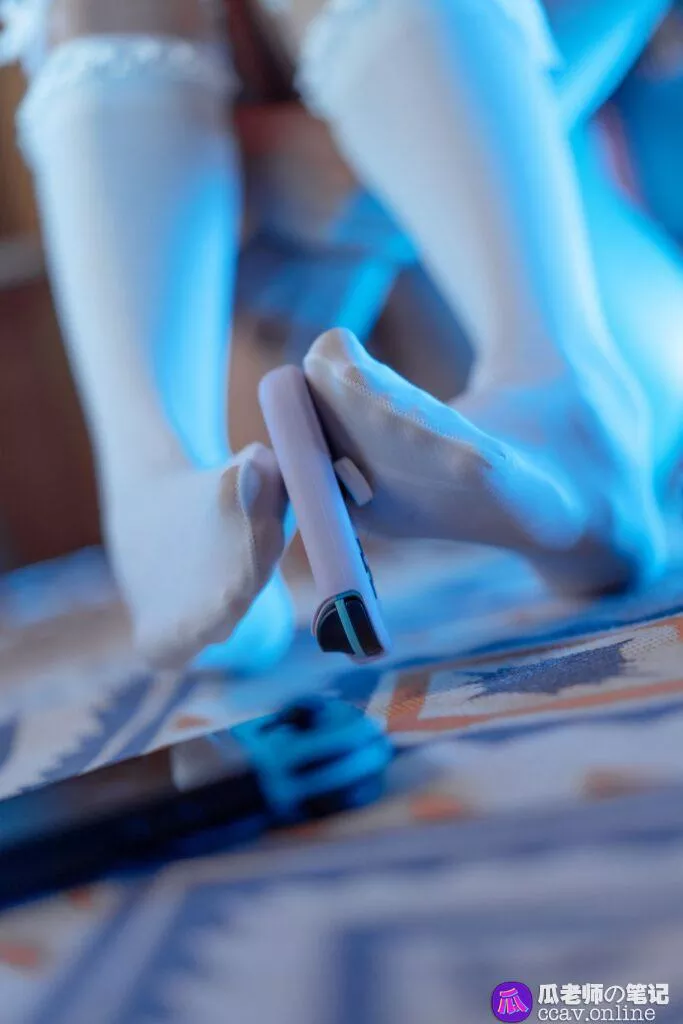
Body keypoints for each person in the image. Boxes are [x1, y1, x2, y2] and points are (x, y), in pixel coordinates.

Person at [0, 0, 679, 674]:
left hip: (540, 311)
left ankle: (561, 383)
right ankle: (150, 483)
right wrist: (292, 161)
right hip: (275, 428)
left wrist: (337, 176)